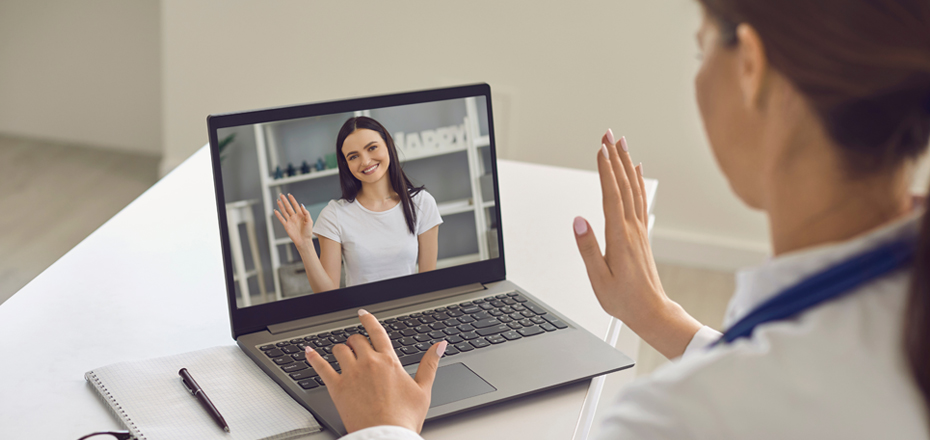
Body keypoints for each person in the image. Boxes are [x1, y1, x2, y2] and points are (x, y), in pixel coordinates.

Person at [300, 0, 930, 438]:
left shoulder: (678, 419)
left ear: (750, 69)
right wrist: (663, 321)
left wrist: (384, 428)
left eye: (701, 47)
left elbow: (760, 394)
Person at [275, 116, 442, 293]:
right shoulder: (334, 214)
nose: (365, 161)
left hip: (411, 314)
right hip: (361, 315)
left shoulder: (422, 202)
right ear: (346, 164)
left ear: (388, 146)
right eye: (353, 156)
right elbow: (327, 293)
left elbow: (427, 285)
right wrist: (305, 245)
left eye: (372, 148)